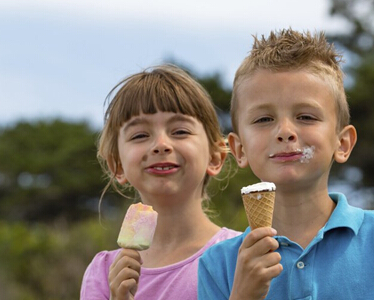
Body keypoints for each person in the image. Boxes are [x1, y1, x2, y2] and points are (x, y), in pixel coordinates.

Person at [198, 28, 374, 299]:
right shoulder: (217, 265)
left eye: (305, 116)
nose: (285, 131)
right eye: (263, 119)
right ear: (239, 149)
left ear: (343, 143)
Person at [80, 64, 241, 300]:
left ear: (215, 157)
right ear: (118, 165)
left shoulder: (243, 254)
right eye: (140, 135)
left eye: (180, 131)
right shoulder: (103, 273)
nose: (161, 144)